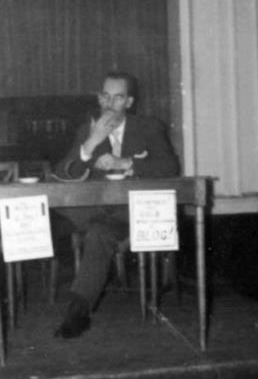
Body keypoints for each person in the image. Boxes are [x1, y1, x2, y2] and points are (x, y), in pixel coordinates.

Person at [53, 71, 179, 339]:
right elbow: (63, 173)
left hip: (135, 212)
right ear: (99, 98)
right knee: (92, 227)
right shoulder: (87, 130)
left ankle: (78, 310)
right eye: (105, 97)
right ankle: (78, 310)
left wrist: (126, 163)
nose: (109, 104)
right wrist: (91, 142)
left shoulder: (149, 127)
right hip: (99, 213)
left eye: (118, 97)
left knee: (98, 232)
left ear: (129, 102)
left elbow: (170, 167)